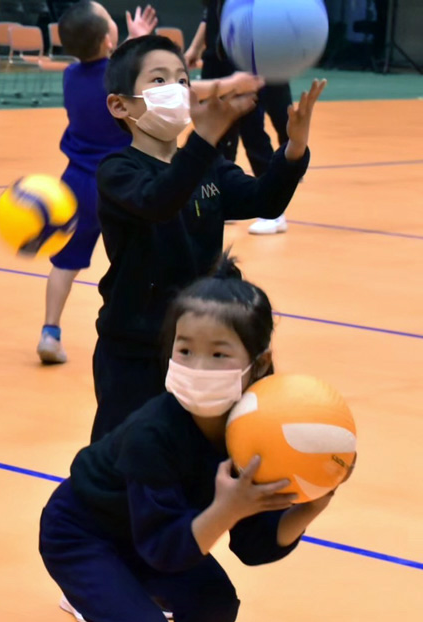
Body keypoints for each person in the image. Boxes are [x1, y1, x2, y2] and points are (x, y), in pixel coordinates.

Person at [40, 254, 351, 622]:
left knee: (215, 606)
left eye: (219, 355)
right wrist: (227, 508)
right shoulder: (153, 433)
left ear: (258, 363)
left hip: (154, 535)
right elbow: (164, 551)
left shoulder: (260, 429)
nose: (198, 366)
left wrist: (310, 507)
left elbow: (253, 545)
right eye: (184, 350)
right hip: (83, 534)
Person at [88, 34, 322, 443]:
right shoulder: (118, 171)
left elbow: (263, 200)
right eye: (159, 80)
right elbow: (158, 201)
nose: (177, 89)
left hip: (200, 343)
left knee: (195, 450)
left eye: (182, 78)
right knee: (124, 452)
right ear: (119, 104)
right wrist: (204, 138)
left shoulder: (206, 163)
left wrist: (294, 149)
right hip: (135, 346)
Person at [36, 1, 157, 364]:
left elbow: (105, 67)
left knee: (64, 263)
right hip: (123, 180)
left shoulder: (70, 75)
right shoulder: (124, 78)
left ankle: (50, 331)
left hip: (75, 182)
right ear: (108, 39)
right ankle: (140, 329)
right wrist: (141, 43)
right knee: (139, 259)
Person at [183, 0, 294, 235]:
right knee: (218, 132)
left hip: (246, 59)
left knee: (252, 129)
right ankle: (220, 196)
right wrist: (196, 48)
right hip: (217, 58)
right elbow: (210, 14)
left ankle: (273, 211)